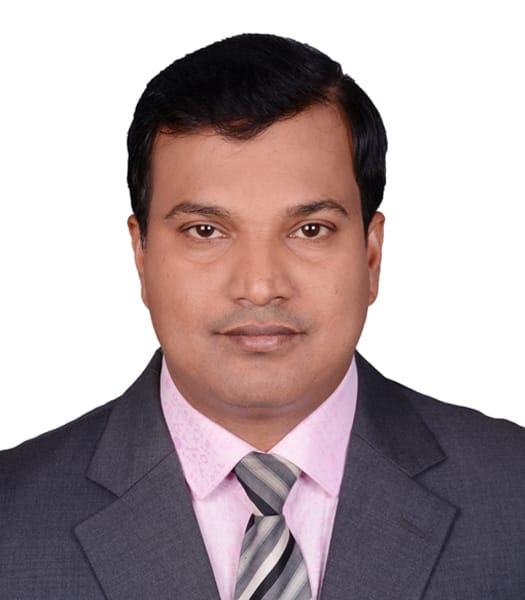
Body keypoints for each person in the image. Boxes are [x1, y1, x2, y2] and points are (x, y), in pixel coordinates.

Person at [1, 33, 524, 600]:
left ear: (371, 255)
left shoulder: (511, 491)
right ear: (142, 255)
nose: (259, 286)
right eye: (205, 231)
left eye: (310, 230)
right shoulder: (13, 517)